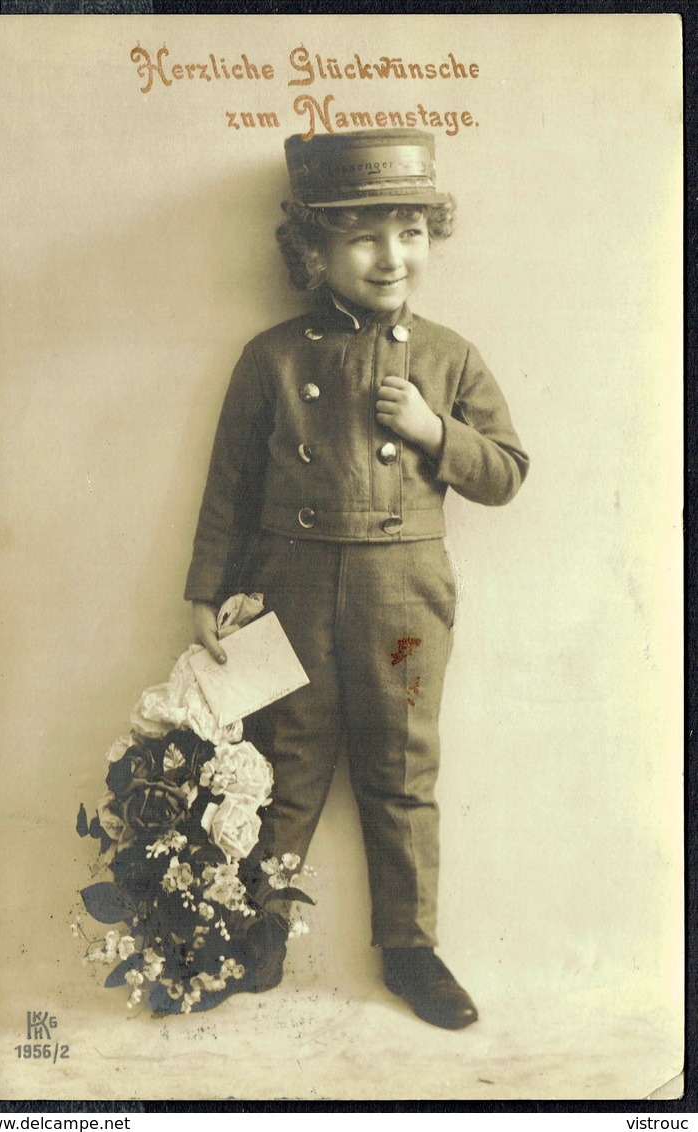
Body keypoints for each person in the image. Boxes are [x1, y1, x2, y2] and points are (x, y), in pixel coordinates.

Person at [185, 129, 529, 1030]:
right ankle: (256, 937)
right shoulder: (271, 356)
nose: (392, 256)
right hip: (286, 586)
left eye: (409, 231)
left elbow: (505, 473)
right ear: (313, 248)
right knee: (280, 766)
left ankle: (410, 950)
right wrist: (203, 591)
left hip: (404, 595)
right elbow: (230, 485)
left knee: (401, 769)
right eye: (365, 236)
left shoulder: (448, 357)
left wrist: (430, 431)